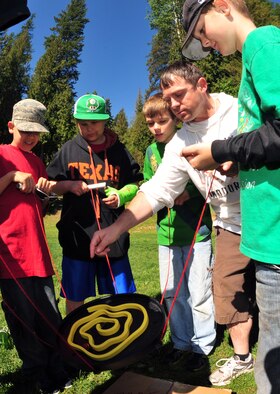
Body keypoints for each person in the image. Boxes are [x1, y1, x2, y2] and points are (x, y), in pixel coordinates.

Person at [90, 61, 255, 386]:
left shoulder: (239, 110)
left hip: (264, 213)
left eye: (180, 95)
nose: (175, 105)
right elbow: (157, 190)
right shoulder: (179, 143)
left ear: (203, 85)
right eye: (170, 100)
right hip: (226, 224)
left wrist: (234, 158)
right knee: (228, 293)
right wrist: (114, 229)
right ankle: (242, 357)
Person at [180, 0, 280, 392]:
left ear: (221, 5)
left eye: (201, 32)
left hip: (276, 239)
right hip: (267, 239)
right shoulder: (255, 55)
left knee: (273, 363)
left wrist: (221, 150)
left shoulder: (263, 43)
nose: (204, 44)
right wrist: (237, 162)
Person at [47, 94, 143, 315]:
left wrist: (121, 195)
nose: (89, 129)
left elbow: (135, 184)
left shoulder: (119, 150)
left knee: (122, 296)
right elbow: (51, 184)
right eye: (83, 124)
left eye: (95, 122)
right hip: (77, 237)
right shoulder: (69, 149)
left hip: (114, 236)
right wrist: (69, 185)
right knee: (74, 295)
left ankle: (124, 340)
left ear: (105, 120)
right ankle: (74, 342)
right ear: (76, 123)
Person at [0, 99, 71, 393]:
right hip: (9, 254)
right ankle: (35, 370)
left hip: (37, 251)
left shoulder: (38, 161)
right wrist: (12, 176)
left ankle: (58, 366)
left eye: (36, 132)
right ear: (11, 126)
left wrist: (44, 195)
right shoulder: (2, 155)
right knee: (23, 316)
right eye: (25, 130)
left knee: (49, 312)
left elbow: (33, 205)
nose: (30, 137)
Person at [142, 93, 215, 370]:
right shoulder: (151, 152)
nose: (156, 128)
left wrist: (187, 193)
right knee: (172, 293)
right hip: (166, 236)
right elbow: (150, 187)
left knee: (199, 292)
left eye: (162, 121)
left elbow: (208, 183)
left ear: (174, 119)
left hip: (197, 234)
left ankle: (201, 345)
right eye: (150, 123)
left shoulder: (189, 142)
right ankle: (181, 341)